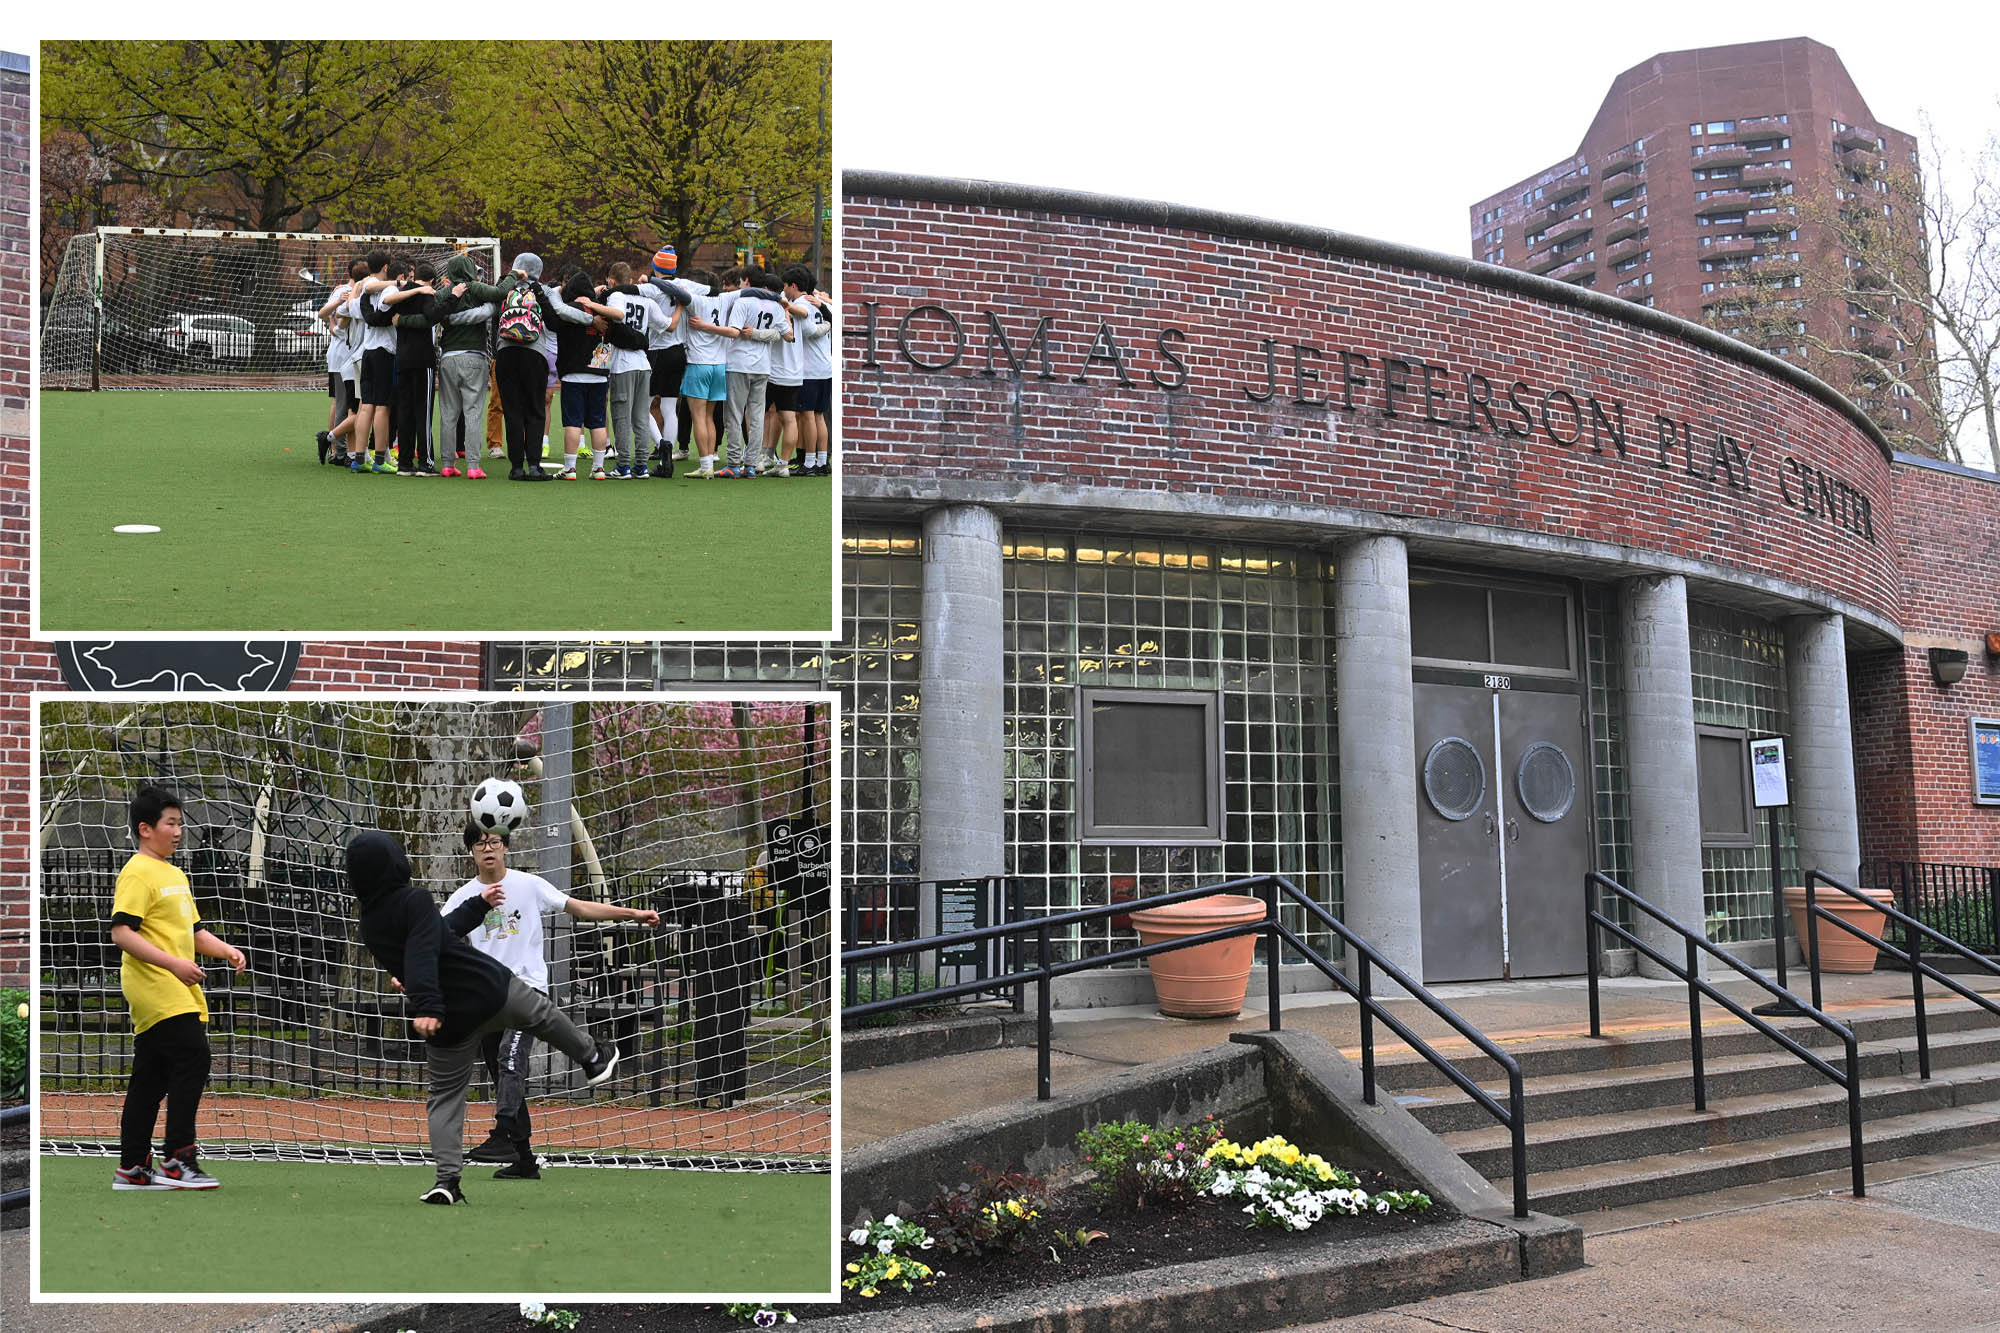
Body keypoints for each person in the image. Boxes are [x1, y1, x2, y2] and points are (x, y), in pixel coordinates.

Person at [347, 829, 618, 1204]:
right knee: (540, 1013)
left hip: (449, 1022)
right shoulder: (415, 899)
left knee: (444, 1096)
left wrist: (477, 907)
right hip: (485, 990)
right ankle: (592, 1057)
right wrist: (427, 1003)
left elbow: (429, 939)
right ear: (398, 864)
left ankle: (447, 1182)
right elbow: (427, 947)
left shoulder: (370, 924)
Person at [442, 821, 661, 1179]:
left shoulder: (528, 886)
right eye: (480, 843)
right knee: (502, 1074)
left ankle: (502, 1134)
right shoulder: (463, 896)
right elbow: (435, 936)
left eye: (494, 841)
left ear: (506, 847)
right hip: (487, 996)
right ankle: (525, 1159)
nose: (488, 848)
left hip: (526, 990)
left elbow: (579, 908)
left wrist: (632, 914)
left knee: (510, 1057)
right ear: (471, 852)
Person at [110, 786, 247, 1191]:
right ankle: (177, 1159)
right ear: (145, 829)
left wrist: (227, 951)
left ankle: (133, 1168)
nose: (178, 831)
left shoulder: (175, 874)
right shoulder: (137, 871)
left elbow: (193, 931)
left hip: (178, 985)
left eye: (180, 823)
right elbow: (122, 932)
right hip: (154, 985)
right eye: (170, 823)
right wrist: (173, 964)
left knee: (150, 1077)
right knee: (193, 1054)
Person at [721, 270, 790, 478]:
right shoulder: (776, 306)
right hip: (762, 366)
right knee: (757, 415)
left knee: (734, 414)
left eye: (741, 281)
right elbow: (787, 334)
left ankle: (733, 464)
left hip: (739, 363)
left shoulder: (742, 302)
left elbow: (734, 331)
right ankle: (751, 464)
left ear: (748, 282)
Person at [678, 268, 735, 478]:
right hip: (719, 365)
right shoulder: (724, 299)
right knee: (709, 416)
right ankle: (710, 459)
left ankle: (704, 466)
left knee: (698, 417)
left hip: (698, 364)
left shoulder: (695, 301)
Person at [794, 273, 835, 476]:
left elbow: (809, 331)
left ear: (793, 285)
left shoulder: (801, 303)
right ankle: (821, 461)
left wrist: (827, 325)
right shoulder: (819, 303)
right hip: (825, 366)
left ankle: (810, 463)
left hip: (810, 369)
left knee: (809, 415)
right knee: (818, 416)